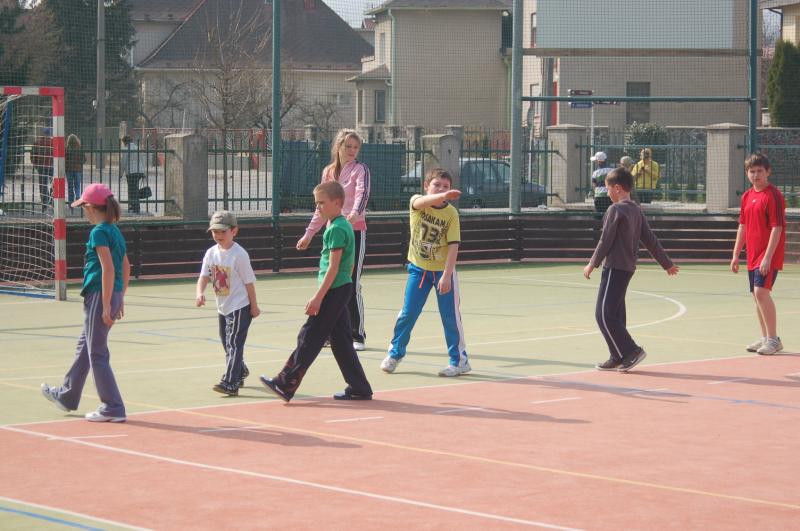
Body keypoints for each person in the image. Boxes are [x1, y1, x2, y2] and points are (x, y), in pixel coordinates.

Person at [260, 181, 372, 402]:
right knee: (341, 341)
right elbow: (347, 266)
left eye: (321, 203)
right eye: (316, 203)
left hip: (333, 291)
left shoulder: (337, 229)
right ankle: (360, 387)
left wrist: (318, 297)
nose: (318, 207)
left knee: (309, 336)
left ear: (337, 203)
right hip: (341, 288)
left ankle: (285, 383)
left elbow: (334, 267)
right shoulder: (340, 225)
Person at [41, 183, 131, 422]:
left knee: (97, 353)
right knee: (85, 347)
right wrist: (119, 297)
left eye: (83, 207)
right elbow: (126, 266)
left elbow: (108, 269)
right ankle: (67, 396)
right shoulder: (114, 231)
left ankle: (112, 406)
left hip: (100, 295)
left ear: (91, 207)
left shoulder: (99, 232)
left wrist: (106, 304)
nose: (83, 211)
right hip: (110, 294)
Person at [583, 167, 679, 372]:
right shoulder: (636, 209)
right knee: (615, 314)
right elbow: (650, 239)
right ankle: (617, 355)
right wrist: (667, 263)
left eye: (608, 188)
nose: (607, 192)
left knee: (603, 314)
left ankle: (632, 351)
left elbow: (605, 240)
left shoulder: (615, 210)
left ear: (617, 188)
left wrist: (592, 263)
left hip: (614, 267)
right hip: (627, 268)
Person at [380, 168, 470, 377]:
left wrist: (447, 275)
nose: (441, 189)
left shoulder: (451, 214)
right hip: (419, 269)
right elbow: (421, 202)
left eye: (445, 186)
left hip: (442, 271)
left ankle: (459, 361)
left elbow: (453, 246)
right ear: (426, 186)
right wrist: (442, 196)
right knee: (408, 313)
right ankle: (394, 354)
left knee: (450, 316)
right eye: (436, 185)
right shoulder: (417, 202)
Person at [296, 129, 370, 351]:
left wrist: (354, 214)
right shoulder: (328, 172)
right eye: (348, 146)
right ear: (338, 147)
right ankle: (331, 333)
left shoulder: (360, 169)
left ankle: (357, 335)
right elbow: (321, 207)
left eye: (356, 147)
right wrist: (309, 233)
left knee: (350, 283)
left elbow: (362, 194)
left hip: (354, 232)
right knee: (330, 283)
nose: (352, 151)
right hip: (333, 233)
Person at [196, 211, 261, 396]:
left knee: (234, 343)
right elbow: (204, 277)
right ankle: (240, 370)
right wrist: (200, 293)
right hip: (223, 307)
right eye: (214, 232)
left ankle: (230, 382)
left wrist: (254, 306)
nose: (218, 235)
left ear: (234, 231)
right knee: (226, 342)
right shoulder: (211, 253)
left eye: (222, 231)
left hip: (240, 306)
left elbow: (249, 282)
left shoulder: (239, 255)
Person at [730, 153, 786, 356]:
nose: (755, 175)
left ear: (768, 172)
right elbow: (743, 226)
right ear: (747, 173)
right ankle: (765, 338)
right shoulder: (747, 196)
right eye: (751, 171)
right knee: (756, 295)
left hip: (768, 255)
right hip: (752, 255)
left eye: (759, 171)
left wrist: (768, 257)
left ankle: (773, 340)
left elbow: (777, 227)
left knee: (761, 292)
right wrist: (736, 254)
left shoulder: (774, 195)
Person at [120, 136, 147, 214]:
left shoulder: (126, 149)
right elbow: (142, 160)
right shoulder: (137, 147)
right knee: (134, 189)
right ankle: (133, 205)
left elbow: (123, 162)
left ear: (125, 142)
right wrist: (144, 172)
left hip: (131, 172)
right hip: (140, 171)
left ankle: (135, 207)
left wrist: (121, 173)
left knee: (132, 190)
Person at [31, 127, 53, 211]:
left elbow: (33, 155)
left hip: (41, 166)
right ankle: (53, 201)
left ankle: (44, 203)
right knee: (54, 184)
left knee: (43, 185)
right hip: (52, 166)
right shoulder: (54, 142)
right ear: (50, 134)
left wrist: (35, 164)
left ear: (43, 133)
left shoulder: (37, 143)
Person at [65, 134, 86, 209]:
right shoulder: (79, 148)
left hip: (69, 170)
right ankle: (78, 198)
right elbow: (84, 159)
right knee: (77, 186)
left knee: (70, 187)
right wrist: (79, 163)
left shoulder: (67, 149)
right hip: (78, 170)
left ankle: (71, 203)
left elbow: (64, 160)